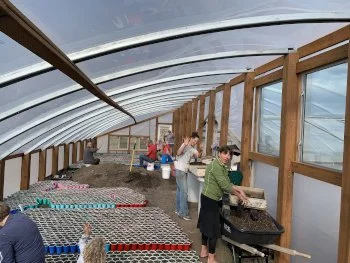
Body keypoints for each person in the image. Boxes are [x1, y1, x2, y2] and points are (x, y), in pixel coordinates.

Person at [198, 145, 248, 263]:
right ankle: (211, 258)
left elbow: (228, 182)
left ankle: (204, 250)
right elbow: (224, 185)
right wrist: (239, 196)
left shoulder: (222, 166)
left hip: (207, 198)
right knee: (214, 229)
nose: (227, 157)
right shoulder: (216, 166)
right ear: (219, 153)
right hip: (210, 199)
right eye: (225, 154)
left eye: (229, 155)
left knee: (206, 225)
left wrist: (239, 189)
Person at [174, 132, 202, 220]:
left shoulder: (192, 149)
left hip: (180, 170)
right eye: (194, 140)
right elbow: (178, 153)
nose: (195, 142)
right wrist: (184, 144)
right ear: (191, 138)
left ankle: (178, 209)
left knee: (180, 190)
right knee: (184, 192)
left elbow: (198, 155)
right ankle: (183, 213)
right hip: (180, 170)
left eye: (196, 142)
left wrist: (200, 149)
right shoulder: (185, 145)